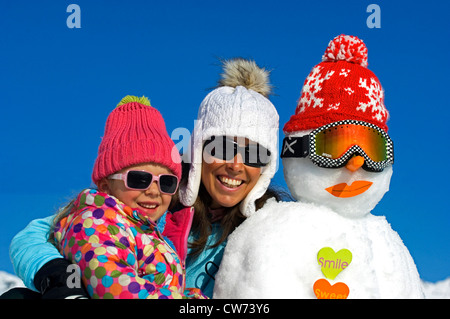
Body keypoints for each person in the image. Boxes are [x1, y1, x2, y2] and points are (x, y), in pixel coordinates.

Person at [8, 58, 283, 299]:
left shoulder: (269, 224)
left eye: (255, 154)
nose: (236, 165)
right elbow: (37, 235)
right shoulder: (159, 195)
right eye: (222, 148)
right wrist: (60, 276)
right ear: (200, 148)